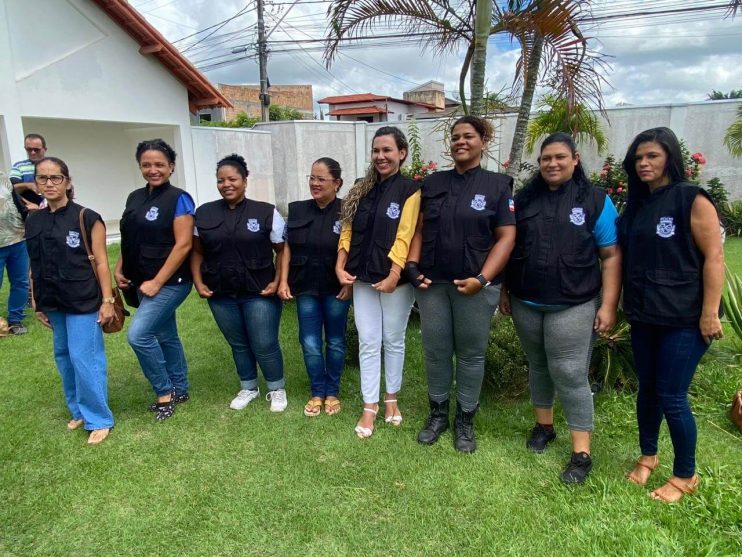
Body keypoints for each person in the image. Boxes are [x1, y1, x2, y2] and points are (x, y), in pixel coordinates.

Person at [499, 132, 622, 484]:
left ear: (575, 160)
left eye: (560, 157)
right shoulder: (524, 201)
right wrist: (506, 291)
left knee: (568, 372)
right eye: (545, 158)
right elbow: (510, 248)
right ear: (539, 163)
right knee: (538, 365)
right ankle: (544, 426)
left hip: (574, 302)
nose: (552, 163)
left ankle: (581, 451)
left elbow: (611, 255)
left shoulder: (596, 201)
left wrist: (609, 305)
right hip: (526, 300)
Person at [620, 127, 723, 502]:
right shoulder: (636, 206)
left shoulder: (690, 199)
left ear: (670, 159)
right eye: (639, 158)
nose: (644, 163)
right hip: (646, 315)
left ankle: (685, 475)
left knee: (672, 395)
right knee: (647, 391)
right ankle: (648, 456)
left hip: (685, 318)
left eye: (653, 156)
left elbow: (714, 257)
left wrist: (710, 313)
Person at [406, 115, 516, 453]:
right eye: (455, 137)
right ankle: (438, 412)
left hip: (474, 286)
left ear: (484, 141)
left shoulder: (499, 185)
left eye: (468, 136)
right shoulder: (433, 183)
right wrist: (411, 265)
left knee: (470, 354)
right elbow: (420, 229)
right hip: (433, 283)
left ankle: (466, 418)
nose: (460, 142)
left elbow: (506, 236)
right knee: (436, 351)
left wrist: (483, 280)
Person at [336, 126, 421, 438]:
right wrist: (340, 264)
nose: (381, 156)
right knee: (368, 341)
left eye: (387, 150)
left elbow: (406, 233)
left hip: (393, 280)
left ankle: (391, 399)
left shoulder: (411, 189)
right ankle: (369, 405)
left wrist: (395, 274)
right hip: (361, 277)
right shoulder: (360, 188)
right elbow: (347, 229)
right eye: (376, 151)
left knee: (394, 340)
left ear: (402, 153)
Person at [25, 157, 115, 444]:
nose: (49, 183)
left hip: (84, 299)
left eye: (55, 178)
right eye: (43, 178)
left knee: (84, 358)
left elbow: (101, 262)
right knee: (64, 357)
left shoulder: (87, 217)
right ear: (36, 183)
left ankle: (99, 418)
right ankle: (79, 411)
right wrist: (37, 301)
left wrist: (107, 300)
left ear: (68, 181)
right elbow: (33, 263)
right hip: (53, 300)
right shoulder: (34, 219)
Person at [191, 154, 289, 412]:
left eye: (232, 179)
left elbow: (282, 249)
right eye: (221, 180)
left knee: (264, 342)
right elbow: (197, 251)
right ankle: (248, 387)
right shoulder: (204, 214)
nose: (227, 184)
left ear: (245, 181)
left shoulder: (266, 211)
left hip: (259, 290)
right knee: (238, 343)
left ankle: (276, 389)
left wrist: (279, 280)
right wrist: (198, 282)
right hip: (220, 292)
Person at [115, 139, 194, 421]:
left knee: (139, 335)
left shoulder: (179, 198)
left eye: (160, 164)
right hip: (139, 278)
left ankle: (165, 392)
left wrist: (157, 282)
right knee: (165, 334)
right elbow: (131, 236)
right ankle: (180, 387)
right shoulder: (134, 197)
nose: (153, 170)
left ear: (171, 167)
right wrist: (120, 267)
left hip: (171, 282)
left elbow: (183, 245)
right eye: (146, 164)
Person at [278, 158, 351, 417]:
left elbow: (353, 249)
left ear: (337, 183)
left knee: (335, 342)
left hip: (336, 289)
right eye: (312, 178)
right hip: (305, 285)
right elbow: (287, 248)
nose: (315, 183)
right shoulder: (298, 210)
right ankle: (317, 391)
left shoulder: (348, 211)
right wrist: (284, 280)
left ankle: (332, 391)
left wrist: (350, 285)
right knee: (309, 342)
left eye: (321, 179)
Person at [0, 172, 30, 335]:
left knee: (21, 281)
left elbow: (15, 201)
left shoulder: (3, 176)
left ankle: (15, 319)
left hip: (18, 238)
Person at [10, 133, 46, 207]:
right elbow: (11, 189)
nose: (32, 152)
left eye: (36, 150)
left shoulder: (54, 165)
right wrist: (28, 185)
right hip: (28, 208)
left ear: (44, 149)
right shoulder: (19, 166)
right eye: (29, 149)